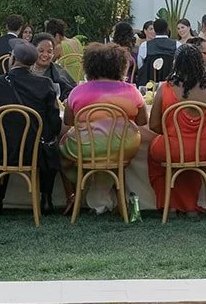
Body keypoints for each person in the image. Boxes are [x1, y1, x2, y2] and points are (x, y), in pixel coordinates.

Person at [0, 40, 62, 214]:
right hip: (36, 152)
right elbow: (54, 124)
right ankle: (46, 199)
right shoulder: (45, 84)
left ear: (12, 59)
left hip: (0, 150)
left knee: (2, 141)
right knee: (51, 145)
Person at [61, 42, 147, 213]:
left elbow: (69, 122)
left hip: (86, 148)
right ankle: (116, 195)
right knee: (117, 157)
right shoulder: (132, 91)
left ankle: (73, 196)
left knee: (62, 156)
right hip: (122, 147)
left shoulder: (78, 91)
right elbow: (143, 121)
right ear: (120, 66)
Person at [146, 39, 206, 215]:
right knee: (195, 159)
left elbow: (153, 125)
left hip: (172, 148)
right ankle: (190, 205)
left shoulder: (165, 88)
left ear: (176, 64)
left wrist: (172, 133)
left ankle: (171, 205)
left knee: (156, 153)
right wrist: (201, 133)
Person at [31, 32, 76, 101]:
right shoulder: (26, 69)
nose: (45, 54)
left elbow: (70, 93)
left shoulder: (59, 73)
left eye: (49, 52)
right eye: (41, 51)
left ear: (53, 54)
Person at [137, 18, 179, 85]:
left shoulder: (144, 46)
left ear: (155, 30)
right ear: (167, 29)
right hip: (171, 84)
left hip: (150, 86)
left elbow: (140, 66)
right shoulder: (177, 45)